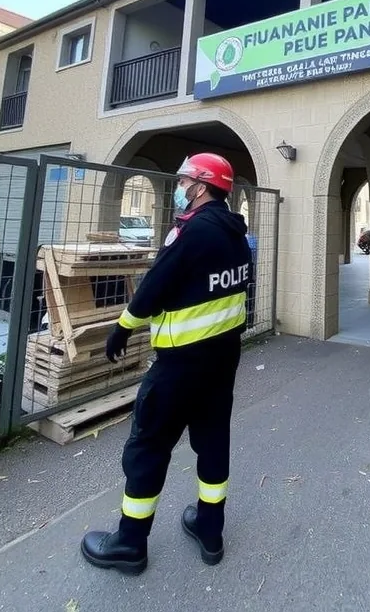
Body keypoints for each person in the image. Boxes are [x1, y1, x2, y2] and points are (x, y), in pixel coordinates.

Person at [81, 152, 252, 574]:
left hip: (180, 365)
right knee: (212, 443)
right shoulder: (235, 234)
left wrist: (122, 327)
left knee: (148, 447)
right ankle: (210, 530)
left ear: (200, 185)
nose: (179, 187)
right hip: (222, 360)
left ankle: (130, 543)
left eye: (183, 180)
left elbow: (155, 285)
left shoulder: (191, 232)